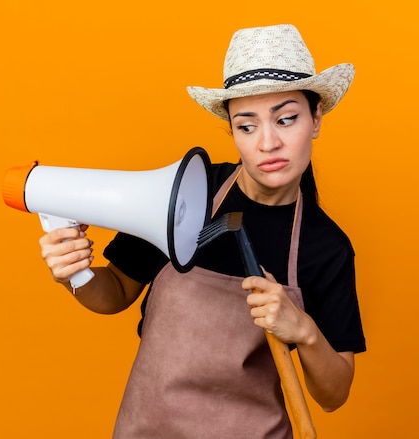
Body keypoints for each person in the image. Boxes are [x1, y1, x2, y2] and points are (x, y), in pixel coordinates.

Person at [39, 24, 366, 438]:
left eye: (286, 119)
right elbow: (116, 291)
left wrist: (303, 329)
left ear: (316, 118)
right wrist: (75, 275)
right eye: (247, 126)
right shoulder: (187, 192)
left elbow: (333, 394)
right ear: (231, 130)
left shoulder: (326, 247)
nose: (268, 143)